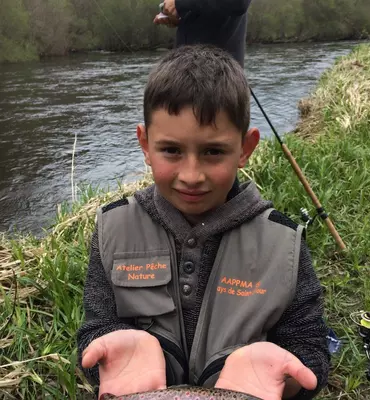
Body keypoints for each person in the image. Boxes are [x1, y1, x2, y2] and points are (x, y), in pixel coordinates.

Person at [77, 45, 330, 400]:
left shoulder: (283, 243)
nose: (191, 175)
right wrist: (104, 354)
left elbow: (311, 348)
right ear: (145, 145)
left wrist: (287, 376)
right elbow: (95, 330)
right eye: (172, 151)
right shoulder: (112, 228)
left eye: (213, 152)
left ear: (245, 148)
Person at [153, 0, 252, 67]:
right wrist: (174, 14)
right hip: (183, 69)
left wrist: (179, 3)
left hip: (220, 73)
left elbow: (239, 3)